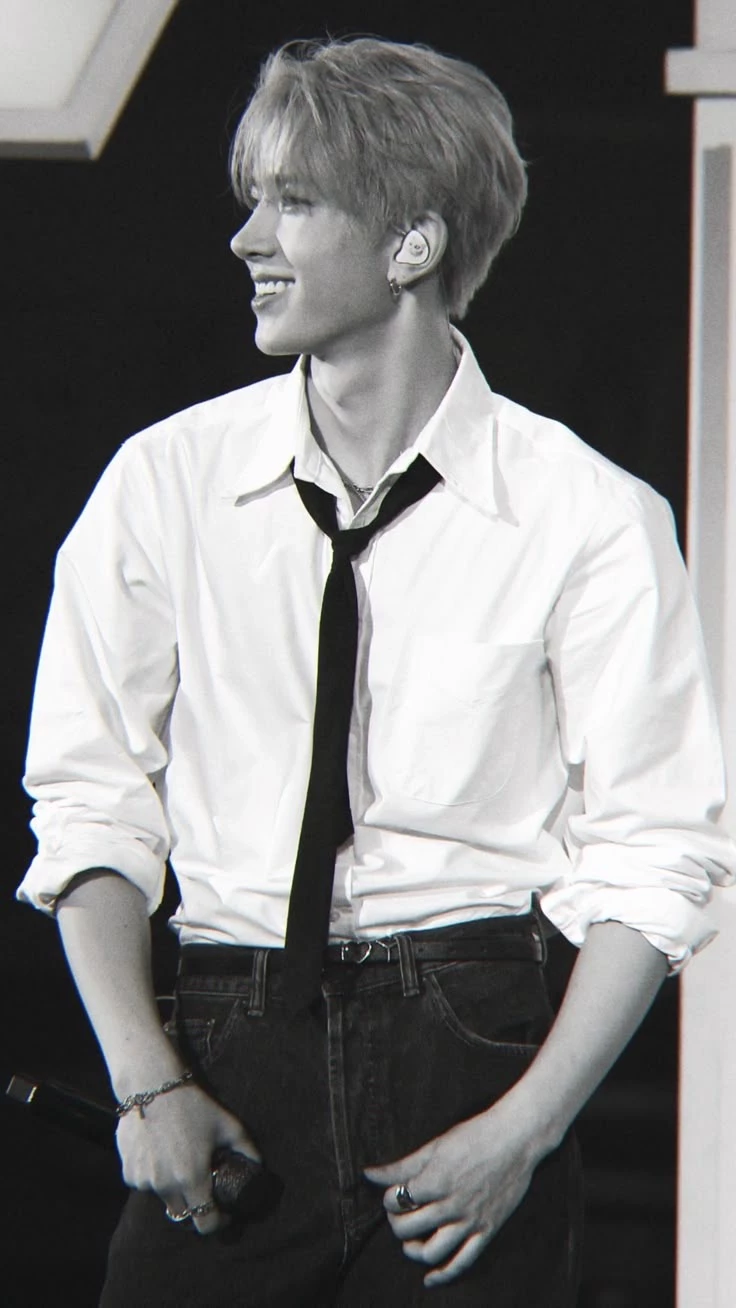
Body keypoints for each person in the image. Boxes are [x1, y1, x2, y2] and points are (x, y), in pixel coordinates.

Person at [17, 35, 736, 1308]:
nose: (246, 239)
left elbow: (659, 848)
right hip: (222, 1045)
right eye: (254, 199)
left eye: (291, 203)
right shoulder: (163, 484)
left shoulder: (585, 514)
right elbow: (90, 802)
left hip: (470, 1047)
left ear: (411, 245)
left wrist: (523, 1133)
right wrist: (147, 1082)